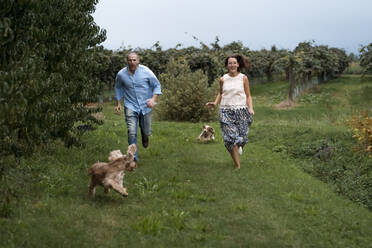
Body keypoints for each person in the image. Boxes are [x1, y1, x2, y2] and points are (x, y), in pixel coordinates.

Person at [206, 54, 254, 169]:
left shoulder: (243, 78)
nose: (232, 65)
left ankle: (239, 145)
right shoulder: (223, 79)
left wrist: (250, 108)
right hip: (226, 111)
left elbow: (248, 96)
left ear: (238, 64)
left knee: (242, 138)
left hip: (241, 111)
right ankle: (237, 165)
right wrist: (215, 103)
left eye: (234, 63)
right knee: (230, 139)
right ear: (227, 66)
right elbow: (221, 93)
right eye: (230, 63)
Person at [115, 51, 162, 163]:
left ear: (138, 60)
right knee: (131, 131)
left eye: (134, 60)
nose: (132, 62)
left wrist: (153, 99)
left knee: (146, 130)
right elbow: (118, 87)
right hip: (130, 105)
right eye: (130, 60)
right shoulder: (121, 74)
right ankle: (133, 158)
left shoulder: (146, 72)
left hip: (146, 106)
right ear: (127, 61)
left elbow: (157, 85)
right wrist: (118, 103)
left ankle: (145, 137)